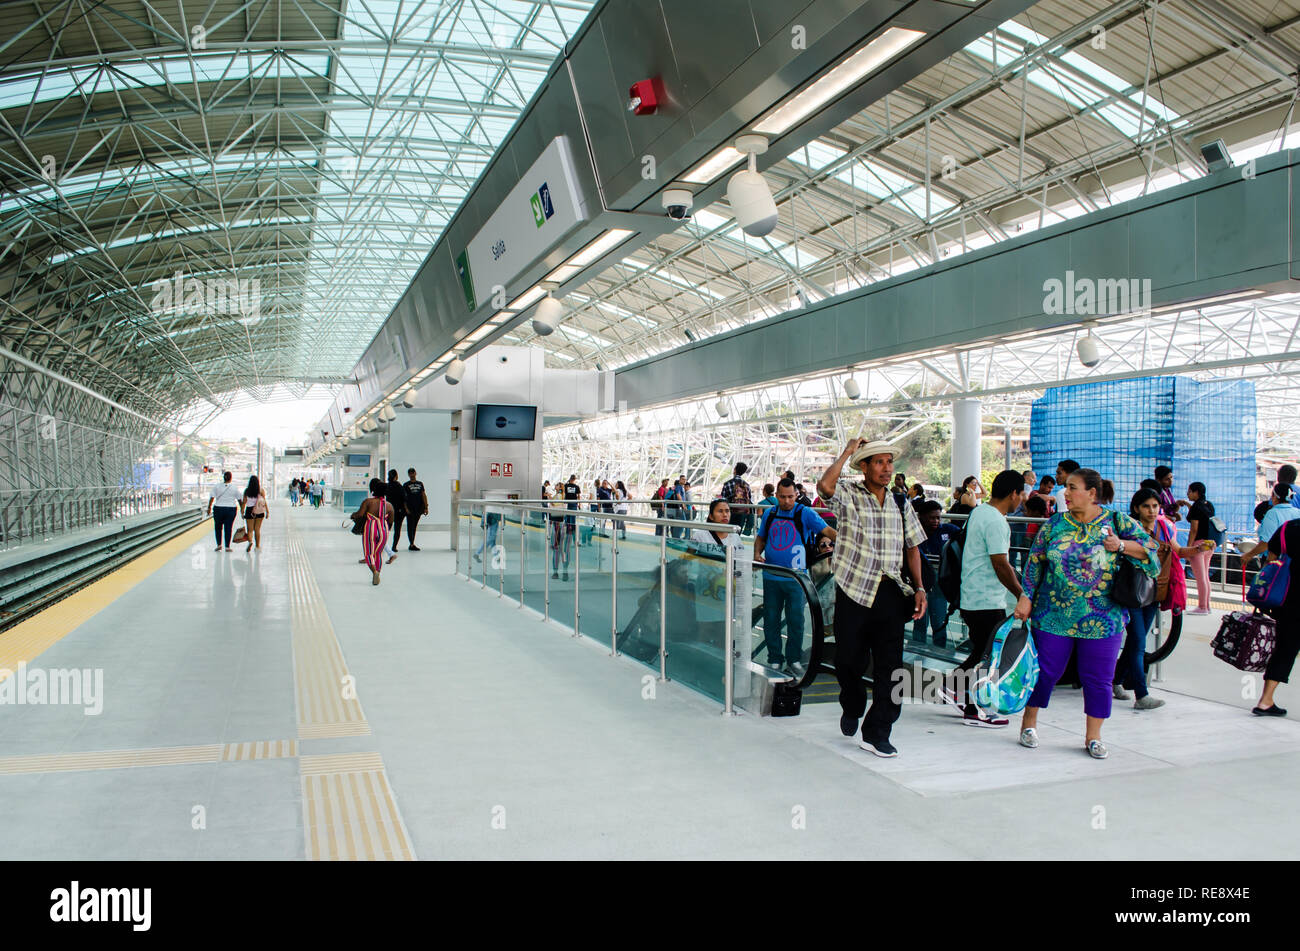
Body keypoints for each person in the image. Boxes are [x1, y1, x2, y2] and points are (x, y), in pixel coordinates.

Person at [1013, 468, 1159, 759]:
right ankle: (1028, 724)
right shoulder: (1054, 524)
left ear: (1092, 494)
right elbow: (1035, 563)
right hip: (1053, 614)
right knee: (1045, 672)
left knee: (1098, 678)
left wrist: (1122, 545)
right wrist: (1025, 596)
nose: (1066, 493)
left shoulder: (1116, 521)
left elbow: (1152, 551)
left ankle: (1093, 736)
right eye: (1066, 488)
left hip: (1104, 618)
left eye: (1072, 488)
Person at [816, 438, 927, 759]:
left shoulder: (901, 503)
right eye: (878, 462)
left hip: (891, 591)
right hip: (853, 590)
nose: (887, 469)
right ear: (864, 466)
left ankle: (878, 731)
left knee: (891, 668)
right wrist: (848, 450)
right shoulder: (850, 494)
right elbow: (824, 486)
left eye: (889, 462)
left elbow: (913, 547)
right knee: (848, 661)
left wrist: (919, 587)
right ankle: (852, 705)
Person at [947, 470, 1026, 726]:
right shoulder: (996, 521)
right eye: (1021, 493)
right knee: (987, 657)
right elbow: (1001, 565)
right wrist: (1020, 594)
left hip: (972, 595)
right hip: (987, 600)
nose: (1022, 499)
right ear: (1013, 493)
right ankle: (970, 704)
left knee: (982, 653)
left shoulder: (979, 512)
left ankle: (960, 695)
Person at [1116, 488, 1192, 710]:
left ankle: (1116, 679)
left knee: (1135, 642)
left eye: (1155, 506)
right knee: (1139, 641)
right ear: (1137, 508)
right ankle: (1141, 694)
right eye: (1146, 506)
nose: (1151, 510)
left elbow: (1178, 551)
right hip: (1133, 592)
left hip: (1155, 592)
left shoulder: (1164, 527)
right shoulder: (1130, 529)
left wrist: (1199, 550)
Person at [754, 478, 837, 676]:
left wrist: (850, 544)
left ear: (796, 495)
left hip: (797, 579)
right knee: (771, 618)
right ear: (776, 496)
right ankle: (774, 658)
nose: (787, 501)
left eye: (790, 497)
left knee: (796, 621)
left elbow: (826, 530)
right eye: (782, 497)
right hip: (772, 577)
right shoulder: (770, 514)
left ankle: (794, 659)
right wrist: (757, 554)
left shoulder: (805, 513)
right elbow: (761, 537)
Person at [1250, 511, 1300, 716]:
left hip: (1285, 599)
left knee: (1285, 649)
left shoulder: (1288, 527)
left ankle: (1265, 700)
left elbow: (1271, 560)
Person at [912, 500, 958, 648]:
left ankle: (940, 649)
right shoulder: (915, 532)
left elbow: (965, 537)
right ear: (922, 517)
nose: (936, 521)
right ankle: (917, 649)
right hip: (920, 582)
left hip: (939, 583)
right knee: (920, 620)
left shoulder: (948, 530)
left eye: (938, 517)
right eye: (932, 518)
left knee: (939, 619)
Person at [1183, 481, 1222, 612]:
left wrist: (1188, 548)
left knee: (1200, 578)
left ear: (1196, 493)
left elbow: (1194, 529)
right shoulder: (1208, 505)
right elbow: (1202, 517)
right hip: (1210, 544)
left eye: (1189, 491)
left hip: (1199, 545)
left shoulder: (1196, 508)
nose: (1187, 494)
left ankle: (1202, 607)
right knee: (1205, 576)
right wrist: (1189, 505)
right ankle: (1207, 605)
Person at [1241, 483, 1300, 568]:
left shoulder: (1272, 514)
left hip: (1276, 562)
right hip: (1295, 560)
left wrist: (1249, 555)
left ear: (1275, 497)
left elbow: (1266, 543)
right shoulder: (1298, 512)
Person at [353, 477, 393, 586]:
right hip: (383, 530)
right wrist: (384, 528)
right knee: (378, 554)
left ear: (374, 490)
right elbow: (390, 521)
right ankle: (378, 573)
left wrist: (353, 515)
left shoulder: (368, 502)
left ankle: (374, 571)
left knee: (369, 553)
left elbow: (360, 514)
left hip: (370, 528)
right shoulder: (389, 505)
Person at [207, 471, 241, 552]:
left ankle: (219, 544)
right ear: (231, 478)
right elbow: (239, 499)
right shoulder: (234, 487)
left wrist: (209, 508)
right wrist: (242, 510)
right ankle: (227, 547)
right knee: (228, 527)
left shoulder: (217, 486)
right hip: (231, 509)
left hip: (218, 508)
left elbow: (212, 497)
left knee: (218, 527)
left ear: (223, 477)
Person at [720, 463, 754, 536]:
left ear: (734, 470)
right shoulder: (747, 485)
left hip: (729, 512)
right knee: (736, 534)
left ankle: (728, 547)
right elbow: (749, 499)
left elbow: (722, 499)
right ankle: (735, 546)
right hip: (742, 513)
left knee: (726, 534)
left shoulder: (727, 484)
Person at [239, 475, 269, 553]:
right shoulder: (261, 490)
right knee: (257, 529)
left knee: (250, 530)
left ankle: (250, 542)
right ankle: (257, 546)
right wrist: (267, 511)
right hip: (259, 510)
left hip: (249, 511)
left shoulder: (246, 491)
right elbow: (264, 501)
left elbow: (244, 502)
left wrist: (242, 511)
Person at [402, 469, 428, 550]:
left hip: (418, 508)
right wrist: (406, 508)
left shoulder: (420, 484)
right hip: (410, 509)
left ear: (415, 473)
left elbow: (423, 495)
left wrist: (426, 507)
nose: (412, 474)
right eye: (410, 473)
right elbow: (404, 498)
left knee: (414, 526)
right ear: (408, 474)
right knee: (410, 526)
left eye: (413, 473)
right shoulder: (406, 485)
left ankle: (412, 543)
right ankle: (411, 543)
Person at [385, 470, 406, 562]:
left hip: (389, 510)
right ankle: (394, 546)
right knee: (397, 529)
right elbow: (404, 498)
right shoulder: (399, 486)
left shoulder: (387, 486)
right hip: (399, 510)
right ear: (396, 476)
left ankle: (383, 545)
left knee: (386, 529)